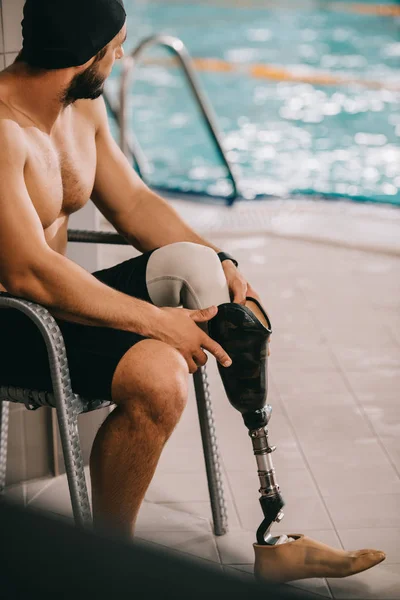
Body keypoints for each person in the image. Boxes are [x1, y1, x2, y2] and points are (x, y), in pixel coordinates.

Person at [0, 0, 385, 583]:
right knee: (160, 375)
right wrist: (157, 322)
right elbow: (28, 272)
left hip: (60, 303)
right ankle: (106, 566)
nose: (122, 54)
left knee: (205, 279)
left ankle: (272, 530)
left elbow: (133, 204)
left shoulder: (78, 108)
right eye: (116, 46)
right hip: (16, 323)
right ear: (87, 54)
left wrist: (223, 263)